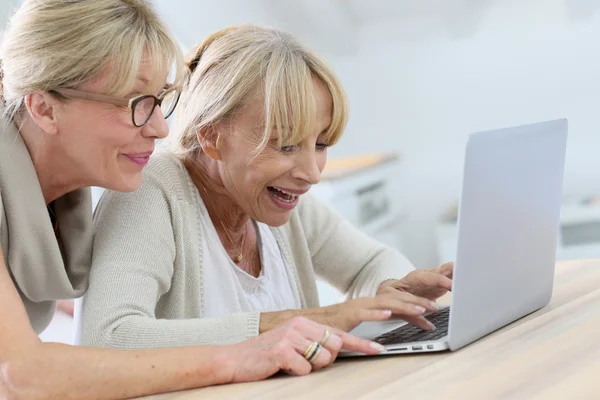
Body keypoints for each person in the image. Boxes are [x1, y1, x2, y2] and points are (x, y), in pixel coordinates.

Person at [0, 2, 381, 399]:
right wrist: (239, 354)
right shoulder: (152, 190)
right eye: (135, 104)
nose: (161, 128)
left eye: (159, 99)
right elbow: (18, 375)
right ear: (43, 108)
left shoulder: (61, 206)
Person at [80, 25, 454, 350]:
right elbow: (108, 337)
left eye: (320, 144)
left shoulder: (278, 199)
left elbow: (369, 264)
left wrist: (392, 289)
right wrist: (297, 323)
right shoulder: (151, 191)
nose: (311, 173)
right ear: (212, 137)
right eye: (286, 145)